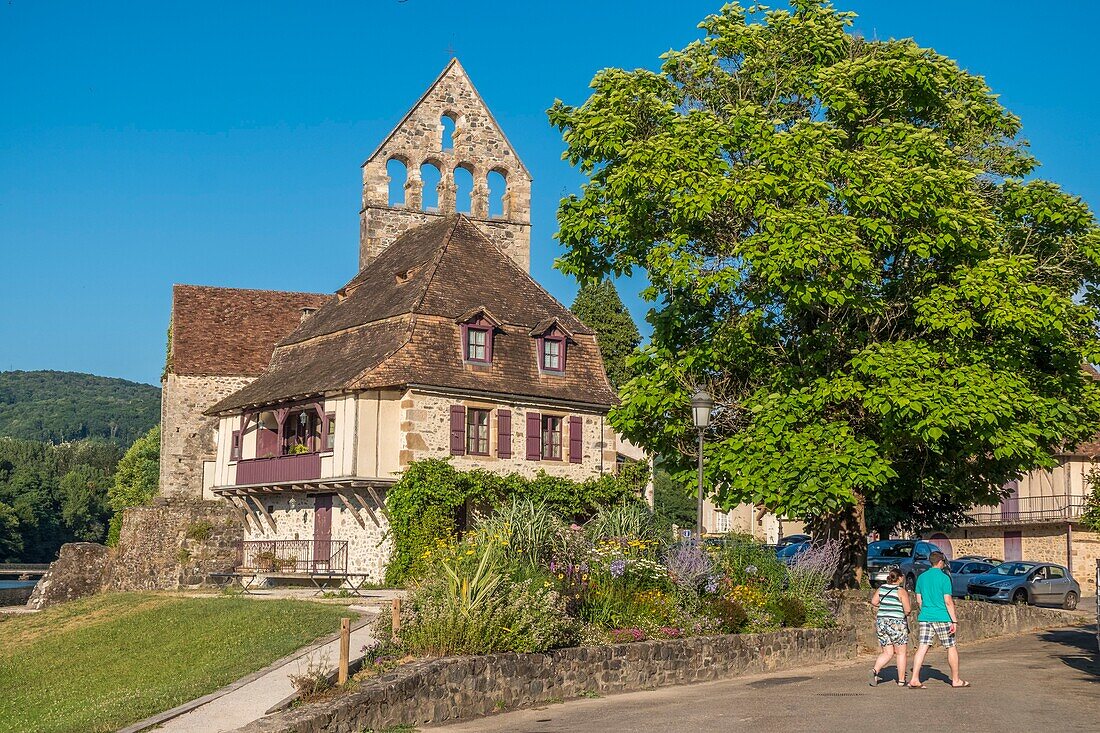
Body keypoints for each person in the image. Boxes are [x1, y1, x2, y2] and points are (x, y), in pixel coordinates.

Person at [909, 551, 970, 688]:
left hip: (926, 616)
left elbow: (919, 600)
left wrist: (925, 610)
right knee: (951, 647)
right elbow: (948, 601)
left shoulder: (922, 577)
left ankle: (914, 679)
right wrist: (954, 620)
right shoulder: (944, 578)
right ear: (941, 562)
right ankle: (956, 680)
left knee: (922, 647)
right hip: (942, 616)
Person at [869, 568, 911, 686]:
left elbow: (874, 602)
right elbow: (907, 609)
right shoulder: (901, 591)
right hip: (896, 623)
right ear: (900, 578)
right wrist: (904, 612)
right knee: (901, 652)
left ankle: (874, 671)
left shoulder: (882, 588)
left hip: (881, 622)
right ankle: (901, 680)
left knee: (887, 652)